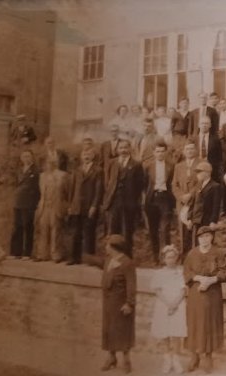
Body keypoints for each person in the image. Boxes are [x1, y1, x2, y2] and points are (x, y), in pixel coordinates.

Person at [184, 225, 226, 373]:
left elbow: (224, 272)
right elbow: (187, 273)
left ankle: (208, 356)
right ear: (198, 239)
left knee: (210, 323)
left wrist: (211, 280)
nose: (205, 239)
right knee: (195, 323)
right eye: (202, 237)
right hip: (196, 294)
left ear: (212, 237)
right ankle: (194, 356)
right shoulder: (192, 254)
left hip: (212, 293)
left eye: (208, 236)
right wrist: (198, 278)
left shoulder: (218, 253)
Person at [99, 234, 137, 373]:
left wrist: (129, 303)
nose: (106, 247)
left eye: (108, 245)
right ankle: (111, 357)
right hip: (109, 302)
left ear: (115, 248)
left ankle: (126, 360)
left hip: (121, 303)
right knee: (109, 329)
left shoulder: (127, 263)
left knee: (123, 331)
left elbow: (131, 285)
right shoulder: (108, 260)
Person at [151, 245, 187, 373]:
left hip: (178, 304)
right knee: (164, 333)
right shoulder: (159, 273)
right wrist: (168, 304)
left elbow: (183, 290)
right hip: (163, 305)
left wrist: (175, 304)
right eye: (168, 257)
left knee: (176, 333)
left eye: (173, 257)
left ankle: (176, 360)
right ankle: (167, 360)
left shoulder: (181, 272)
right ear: (163, 259)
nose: (171, 260)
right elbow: (157, 290)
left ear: (177, 258)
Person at [103, 140, 145, 248]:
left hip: (129, 203)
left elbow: (140, 184)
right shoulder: (112, 163)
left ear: (130, 149)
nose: (123, 150)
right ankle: (112, 256)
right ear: (117, 150)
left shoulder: (136, 165)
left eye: (126, 147)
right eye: (121, 148)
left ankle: (127, 258)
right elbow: (107, 181)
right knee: (112, 230)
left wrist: (135, 200)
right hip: (114, 202)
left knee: (127, 231)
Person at [33, 157, 70, 262]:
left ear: (57, 163)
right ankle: (42, 254)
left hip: (56, 206)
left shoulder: (63, 175)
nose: (50, 164)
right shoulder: (42, 176)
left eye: (52, 162)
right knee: (43, 230)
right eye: (48, 163)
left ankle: (56, 255)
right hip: (44, 206)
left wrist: (65, 206)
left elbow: (67, 193)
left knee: (56, 230)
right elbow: (39, 193)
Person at [143, 142, 175, 264]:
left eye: (162, 151)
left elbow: (172, 183)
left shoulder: (171, 166)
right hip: (152, 199)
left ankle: (167, 258)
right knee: (153, 229)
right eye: (158, 151)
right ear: (154, 152)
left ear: (166, 152)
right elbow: (144, 184)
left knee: (165, 228)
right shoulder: (148, 166)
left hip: (165, 199)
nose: (160, 154)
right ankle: (155, 257)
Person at [69, 148, 102, 264]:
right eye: (84, 154)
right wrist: (70, 205)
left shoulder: (98, 170)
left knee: (89, 233)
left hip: (89, 206)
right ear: (81, 156)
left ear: (93, 156)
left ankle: (89, 259)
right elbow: (72, 189)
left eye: (89, 154)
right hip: (77, 206)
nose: (86, 156)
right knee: (76, 233)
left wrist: (94, 206)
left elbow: (98, 190)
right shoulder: (77, 170)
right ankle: (74, 258)